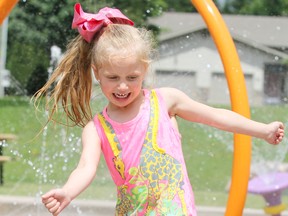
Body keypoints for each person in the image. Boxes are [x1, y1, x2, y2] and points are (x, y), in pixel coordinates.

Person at [35, 3, 285, 216]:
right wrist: (68, 190)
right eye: (113, 77)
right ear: (97, 73)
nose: (123, 86)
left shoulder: (165, 101)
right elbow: (85, 168)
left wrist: (262, 130)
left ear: (144, 70)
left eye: (132, 77)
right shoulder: (96, 128)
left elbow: (216, 117)